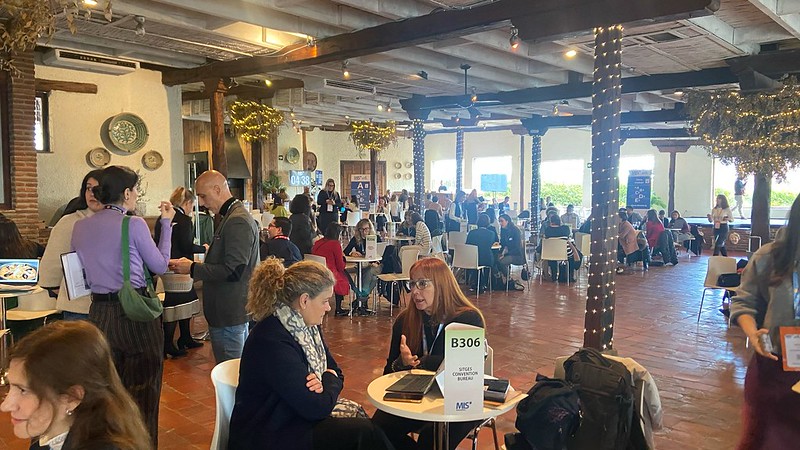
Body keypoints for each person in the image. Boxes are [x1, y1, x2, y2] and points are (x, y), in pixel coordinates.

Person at [228, 259, 392, 450]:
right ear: (304, 300)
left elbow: (336, 371)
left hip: (292, 417)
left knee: (371, 431)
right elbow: (316, 407)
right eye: (324, 301)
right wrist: (328, 381)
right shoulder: (271, 339)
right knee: (363, 433)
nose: (328, 308)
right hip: (267, 433)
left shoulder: (307, 327)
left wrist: (324, 382)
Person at [71, 165, 174, 444]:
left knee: (107, 392)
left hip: (98, 314)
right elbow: (160, 265)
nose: (136, 194)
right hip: (134, 313)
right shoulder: (133, 224)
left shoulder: (80, 227)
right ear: (126, 193)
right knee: (143, 391)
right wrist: (165, 225)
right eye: (136, 190)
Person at [372, 258, 486, 450]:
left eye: (422, 284)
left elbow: (465, 371)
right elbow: (388, 374)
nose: (415, 291)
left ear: (441, 285)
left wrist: (423, 362)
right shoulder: (405, 320)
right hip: (416, 396)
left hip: (458, 399)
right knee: (376, 430)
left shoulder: (468, 319)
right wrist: (401, 363)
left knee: (431, 439)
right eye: (412, 284)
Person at [0, 321, 153, 450]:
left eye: (23, 390)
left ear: (72, 397)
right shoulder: (48, 434)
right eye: (10, 387)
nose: (5, 406)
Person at [730, 193, 800, 450]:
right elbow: (744, 302)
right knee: (763, 440)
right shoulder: (769, 257)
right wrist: (753, 334)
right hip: (773, 368)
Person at [169, 170, 260, 363]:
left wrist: (192, 268)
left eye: (203, 196)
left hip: (229, 312)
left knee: (230, 373)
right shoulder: (231, 216)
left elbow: (233, 271)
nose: (201, 203)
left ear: (217, 189)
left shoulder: (237, 220)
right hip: (227, 311)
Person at [39, 170, 104, 321]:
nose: (92, 194)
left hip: (118, 307)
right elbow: (50, 271)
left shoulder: (124, 221)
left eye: (98, 189)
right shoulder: (70, 222)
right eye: (88, 188)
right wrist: (68, 292)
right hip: (80, 309)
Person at [156, 187, 206, 358]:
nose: (191, 208)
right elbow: (186, 246)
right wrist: (204, 248)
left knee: (186, 300)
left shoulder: (162, 218)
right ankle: (168, 344)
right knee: (175, 304)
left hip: (166, 265)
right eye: (192, 205)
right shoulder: (184, 220)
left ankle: (185, 337)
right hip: (179, 266)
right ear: (187, 202)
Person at [343, 218, 382, 314]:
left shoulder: (376, 238)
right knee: (372, 278)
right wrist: (352, 253)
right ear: (358, 230)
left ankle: (360, 300)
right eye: (361, 229)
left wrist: (375, 262)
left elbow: (382, 254)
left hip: (376, 265)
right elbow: (345, 252)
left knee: (369, 271)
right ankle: (362, 301)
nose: (364, 232)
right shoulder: (355, 239)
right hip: (362, 266)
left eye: (366, 229)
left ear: (370, 229)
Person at [312, 223, 351, 316]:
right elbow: (340, 266)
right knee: (343, 279)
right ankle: (338, 308)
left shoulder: (318, 242)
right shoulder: (335, 244)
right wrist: (344, 259)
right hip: (329, 273)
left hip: (316, 272)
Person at [466, 213, 498, 292]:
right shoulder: (491, 233)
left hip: (472, 259)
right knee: (491, 259)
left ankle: (478, 283)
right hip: (486, 259)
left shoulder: (471, 233)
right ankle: (485, 283)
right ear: (488, 223)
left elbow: (467, 244)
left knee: (476, 263)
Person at [542, 214, 579, 283]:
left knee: (552, 255)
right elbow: (569, 237)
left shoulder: (548, 230)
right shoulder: (565, 228)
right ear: (559, 221)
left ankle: (554, 276)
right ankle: (570, 276)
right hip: (565, 253)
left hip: (550, 253)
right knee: (571, 256)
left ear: (551, 222)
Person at [497, 213, 526, 290]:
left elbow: (517, 247)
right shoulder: (503, 230)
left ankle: (509, 279)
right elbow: (503, 244)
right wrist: (500, 252)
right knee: (496, 260)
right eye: (499, 221)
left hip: (517, 255)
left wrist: (505, 254)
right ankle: (505, 280)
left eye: (502, 221)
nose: (500, 223)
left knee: (501, 262)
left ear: (507, 221)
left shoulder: (515, 231)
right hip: (509, 253)